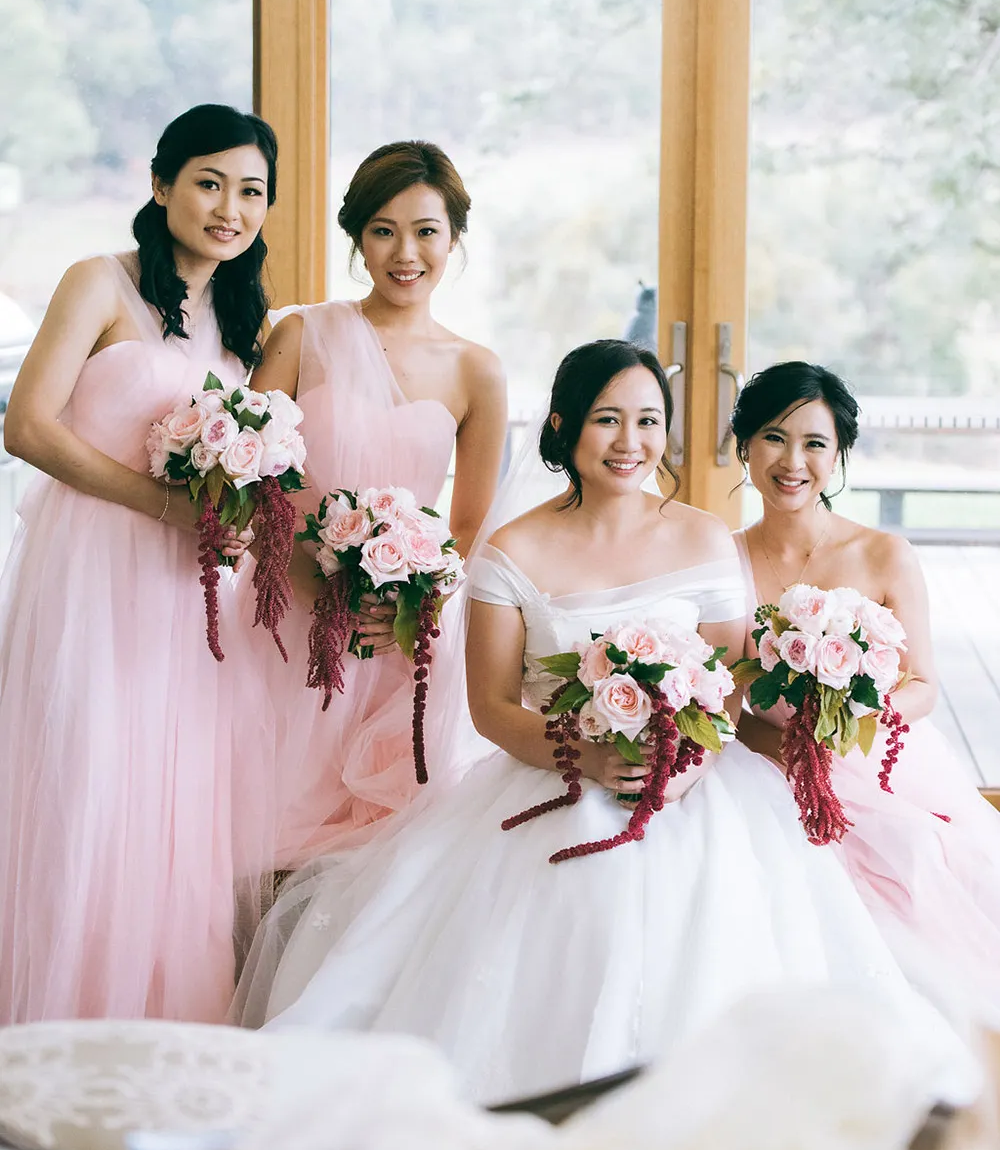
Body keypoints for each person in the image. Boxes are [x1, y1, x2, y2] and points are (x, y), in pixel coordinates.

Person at [233, 340, 970, 1107]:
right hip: (554, 775)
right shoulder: (512, 551)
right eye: (608, 420)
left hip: (699, 786)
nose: (630, 442)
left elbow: (722, 690)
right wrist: (580, 754)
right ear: (563, 426)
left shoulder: (704, 537)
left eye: (648, 421)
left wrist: (693, 762)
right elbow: (491, 708)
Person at [0, 102, 277, 1023]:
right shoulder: (99, 282)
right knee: (88, 788)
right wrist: (161, 504)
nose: (229, 208)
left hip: (187, 597)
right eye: (209, 182)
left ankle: (164, 1036)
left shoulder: (241, 324)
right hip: (90, 577)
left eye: (252, 192)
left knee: (173, 807)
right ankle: (56, 1037)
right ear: (161, 186)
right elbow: (27, 425)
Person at [235, 140, 507, 876]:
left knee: (374, 844)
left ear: (455, 236)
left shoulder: (475, 370)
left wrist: (412, 605)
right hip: (286, 612)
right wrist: (307, 573)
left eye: (426, 230)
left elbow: (469, 528)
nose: (405, 252)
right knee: (262, 829)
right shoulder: (304, 333)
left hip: (396, 635)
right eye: (383, 230)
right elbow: (256, 478)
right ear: (357, 235)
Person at [732, 360, 1000, 1021]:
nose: (792, 460)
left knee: (917, 855)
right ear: (741, 447)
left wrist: (848, 709)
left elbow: (922, 684)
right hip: (760, 761)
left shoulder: (883, 554)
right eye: (772, 437)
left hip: (872, 756)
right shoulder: (722, 556)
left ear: (840, 454)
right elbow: (723, 683)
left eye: (815, 443)